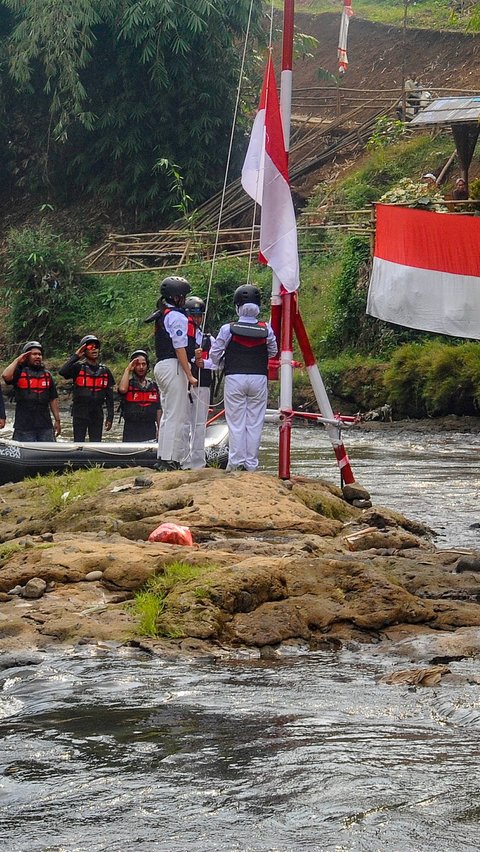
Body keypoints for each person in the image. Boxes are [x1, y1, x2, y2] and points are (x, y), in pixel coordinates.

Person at [196, 284, 277, 472]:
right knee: (255, 422)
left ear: (237, 305)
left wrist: (220, 362)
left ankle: (235, 462)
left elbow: (216, 354)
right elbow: (273, 352)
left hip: (235, 379)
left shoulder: (228, 329)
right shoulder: (267, 329)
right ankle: (251, 464)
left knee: (236, 422)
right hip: (258, 379)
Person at [144, 276, 197, 471]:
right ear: (176, 297)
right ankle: (172, 458)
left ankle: (164, 456)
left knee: (168, 414)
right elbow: (180, 347)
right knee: (177, 414)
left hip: (162, 366)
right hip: (174, 366)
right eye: (183, 296)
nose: (185, 299)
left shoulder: (162, 313)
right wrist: (189, 374)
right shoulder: (176, 316)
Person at [58, 334, 114, 441]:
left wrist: (110, 417)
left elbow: (109, 396)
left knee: (96, 442)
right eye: (90, 347)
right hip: (80, 412)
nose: (94, 349)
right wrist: (76, 356)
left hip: (97, 412)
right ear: (84, 350)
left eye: (96, 347)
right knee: (79, 442)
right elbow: (62, 372)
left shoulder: (105, 371)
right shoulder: (78, 367)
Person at [2, 341, 61, 441]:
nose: (38, 356)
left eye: (39, 354)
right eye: (34, 354)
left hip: (45, 425)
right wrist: (17, 360)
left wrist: (57, 420)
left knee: (47, 454)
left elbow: (52, 399)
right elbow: (5, 375)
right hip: (24, 426)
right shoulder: (19, 372)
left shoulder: (47, 375)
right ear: (27, 356)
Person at [182, 296, 215, 469]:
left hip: (202, 385)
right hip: (185, 384)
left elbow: (218, 362)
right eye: (193, 316)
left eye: (199, 316)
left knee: (199, 424)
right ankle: (184, 461)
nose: (196, 319)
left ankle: (198, 462)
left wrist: (205, 363)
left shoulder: (208, 339)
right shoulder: (182, 337)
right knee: (184, 422)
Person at [118, 349, 161, 442]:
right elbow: (122, 389)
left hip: (149, 430)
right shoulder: (128, 384)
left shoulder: (153, 386)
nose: (141, 367)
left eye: (144, 364)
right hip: (131, 430)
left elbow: (158, 409)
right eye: (137, 364)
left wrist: (160, 429)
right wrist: (128, 369)